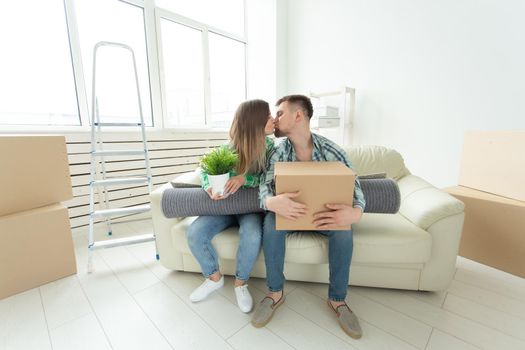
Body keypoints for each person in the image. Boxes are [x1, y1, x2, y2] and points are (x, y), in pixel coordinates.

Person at [251, 95, 366, 339]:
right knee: (270, 222)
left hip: (325, 216)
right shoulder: (278, 152)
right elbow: (264, 185)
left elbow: (355, 186)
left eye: (280, 113)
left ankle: (337, 300)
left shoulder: (331, 150)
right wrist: (271, 201)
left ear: (298, 115)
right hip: (290, 216)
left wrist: (355, 213)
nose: (274, 118)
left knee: (344, 231)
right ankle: (275, 293)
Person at [187, 99, 275, 313]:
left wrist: (245, 179)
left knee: (252, 235)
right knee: (195, 233)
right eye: (268, 116)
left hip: (250, 210)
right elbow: (205, 170)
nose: (273, 120)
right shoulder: (228, 148)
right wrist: (208, 186)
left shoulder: (271, 148)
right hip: (224, 208)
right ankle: (213, 278)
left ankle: (240, 283)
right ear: (255, 122)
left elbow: (269, 181)